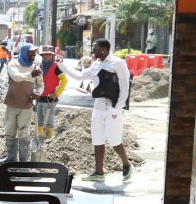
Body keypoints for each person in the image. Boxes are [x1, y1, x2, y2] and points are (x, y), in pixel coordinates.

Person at [60, 38, 133, 183]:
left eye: (95, 48)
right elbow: (79, 75)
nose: (93, 51)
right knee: (97, 138)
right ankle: (99, 172)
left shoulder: (118, 63)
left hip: (113, 107)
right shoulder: (96, 65)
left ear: (103, 50)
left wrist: (118, 107)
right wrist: (60, 63)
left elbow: (125, 85)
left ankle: (127, 165)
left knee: (114, 139)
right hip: (98, 106)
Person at [2, 42, 41, 164]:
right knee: (9, 131)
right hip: (12, 103)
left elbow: (41, 84)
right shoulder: (13, 64)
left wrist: (38, 92)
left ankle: (23, 160)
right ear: (24, 52)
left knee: (24, 132)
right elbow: (16, 77)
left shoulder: (36, 67)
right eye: (31, 52)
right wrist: (30, 74)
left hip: (26, 104)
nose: (33, 54)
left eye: (34, 52)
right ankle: (11, 158)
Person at [35, 45, 68, 140]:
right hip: (39, 97)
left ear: (52, 56)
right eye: (45, 55)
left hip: (50, 99)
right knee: (39, 120)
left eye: (49, 55)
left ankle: (48, 139)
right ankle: (39, 138)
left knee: (49, 121)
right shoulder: (40, 66)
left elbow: (64, 80)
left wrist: (57, 94)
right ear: (42, 56)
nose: (47, 57)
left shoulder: (55, 67)